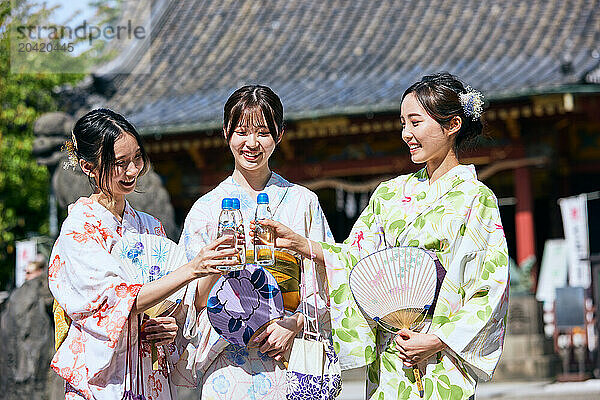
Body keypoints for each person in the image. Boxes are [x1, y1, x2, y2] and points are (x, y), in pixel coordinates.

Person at [255, 73, 509, 400]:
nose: (406, 134)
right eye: (403, 124)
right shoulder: (390, 194)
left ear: (452, 125)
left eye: (415, 123)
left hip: (441, 355)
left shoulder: (476, 198)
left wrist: (438, 339)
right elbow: (357, 260)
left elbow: (490, 286)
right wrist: (302, 245)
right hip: (392, 354)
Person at [48, 108, 238, 399]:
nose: (133, 170)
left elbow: (177, 301)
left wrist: (172, 321)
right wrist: (192, 269)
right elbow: (120, 301)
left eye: (137, 158)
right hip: (105, 381)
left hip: (151, 373)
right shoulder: (79, 230)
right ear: (88, 167)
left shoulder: (149, 226)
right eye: (119, 163)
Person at [180, 85, 335, 399]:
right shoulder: (206, 210)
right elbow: (189, 301)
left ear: (279, 134)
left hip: (291, 358)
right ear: (226, 133)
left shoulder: (303, 202)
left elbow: (329, 275)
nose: (251, 143)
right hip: (228, 364)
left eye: (263, 132)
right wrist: (216, 265)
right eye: (241, 131)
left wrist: (294, 322)